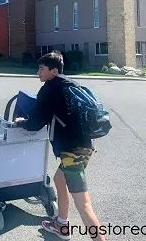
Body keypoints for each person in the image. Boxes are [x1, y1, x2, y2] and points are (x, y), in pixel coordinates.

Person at [14, 51, 106, 241]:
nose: (38, 72)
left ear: (54, 71)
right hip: (86, 144)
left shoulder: (49, 89)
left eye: (41, 69)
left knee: (83, 203)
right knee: (59, 178)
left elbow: (36, 123)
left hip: (72, 150)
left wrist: (22, 122)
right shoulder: (70, 84)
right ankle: (61, 225)